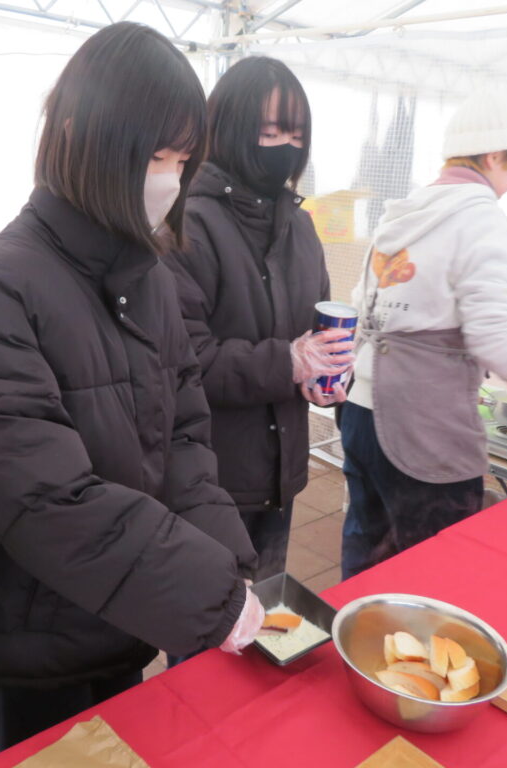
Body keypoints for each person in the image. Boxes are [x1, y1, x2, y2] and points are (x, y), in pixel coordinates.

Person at [0, 22, 263, 760]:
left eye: (182, 159)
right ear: (83, 136)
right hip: (34, 641)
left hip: (128, 616)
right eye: (154, 155)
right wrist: (204, 590)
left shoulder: (149, 279)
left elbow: (184, 438)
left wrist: (228, 564)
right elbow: (42, 496)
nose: (169, 178)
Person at [340, 90, 507, 579]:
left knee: (366, 553)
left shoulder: (403, 214)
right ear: (495, 156)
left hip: (362, 411)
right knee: (432, 569)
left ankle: (348, 624)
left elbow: (363, 303)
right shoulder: (480, 219)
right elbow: (496, 338)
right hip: (422, 427)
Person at [166, 57, 353, 581]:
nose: (285, 147)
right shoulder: (188, 224)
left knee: (268, 607)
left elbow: (314, 331)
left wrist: (324, 373)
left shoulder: (300, 226)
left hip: (280, 474)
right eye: (269, 133)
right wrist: (288, 362)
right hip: (209, 481)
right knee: (211, 612)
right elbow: (184, 361)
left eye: (296, 134)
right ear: (228, 130)